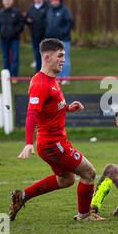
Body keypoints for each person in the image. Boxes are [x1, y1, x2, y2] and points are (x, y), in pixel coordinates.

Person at [10, 38, 104, 221]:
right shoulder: (40, 84)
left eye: (64, 56)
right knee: (89, 173)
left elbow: (49, 108)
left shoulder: (50, 80)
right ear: (47, 57)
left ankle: (22, 197)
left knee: (66, 180)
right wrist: (28, 142)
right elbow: (32, 114)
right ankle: (84, 215)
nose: (64, 60)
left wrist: (68, 108)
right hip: (53, 144)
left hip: (52, 143)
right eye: (60, 56)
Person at [45, 0, 73, 85]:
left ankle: (65, 78)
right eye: (52, 1)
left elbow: (69, 23)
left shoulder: (65, 10)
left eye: (55, 0)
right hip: (52, 40)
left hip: (63, 39)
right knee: (55, 60)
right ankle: (57, 78)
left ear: (59, 1)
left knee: (64, 59)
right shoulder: (49, 10)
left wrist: (63, 33)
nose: (54, 2)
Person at [0, 0, 25, 78]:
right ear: (3, 2)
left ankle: (14, 75)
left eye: (8, 1)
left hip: (14, 39)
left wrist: (15, 32)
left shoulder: (17, 12)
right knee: (5, 57)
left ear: (12, 2)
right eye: (5, 1)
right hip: (3, 39)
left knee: (15, 57)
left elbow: (21, 24)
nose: (7, 2)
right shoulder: (0, 13)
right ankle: (6, 76)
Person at [25, 0, 48, 72]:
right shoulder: (31, 8)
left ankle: (46, 71)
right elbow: (26, 19)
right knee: (37, 54)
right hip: (34, 35)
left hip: (45, 36)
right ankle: (38, 71)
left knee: (45, 54)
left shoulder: (46, 7)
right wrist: (28, 20)